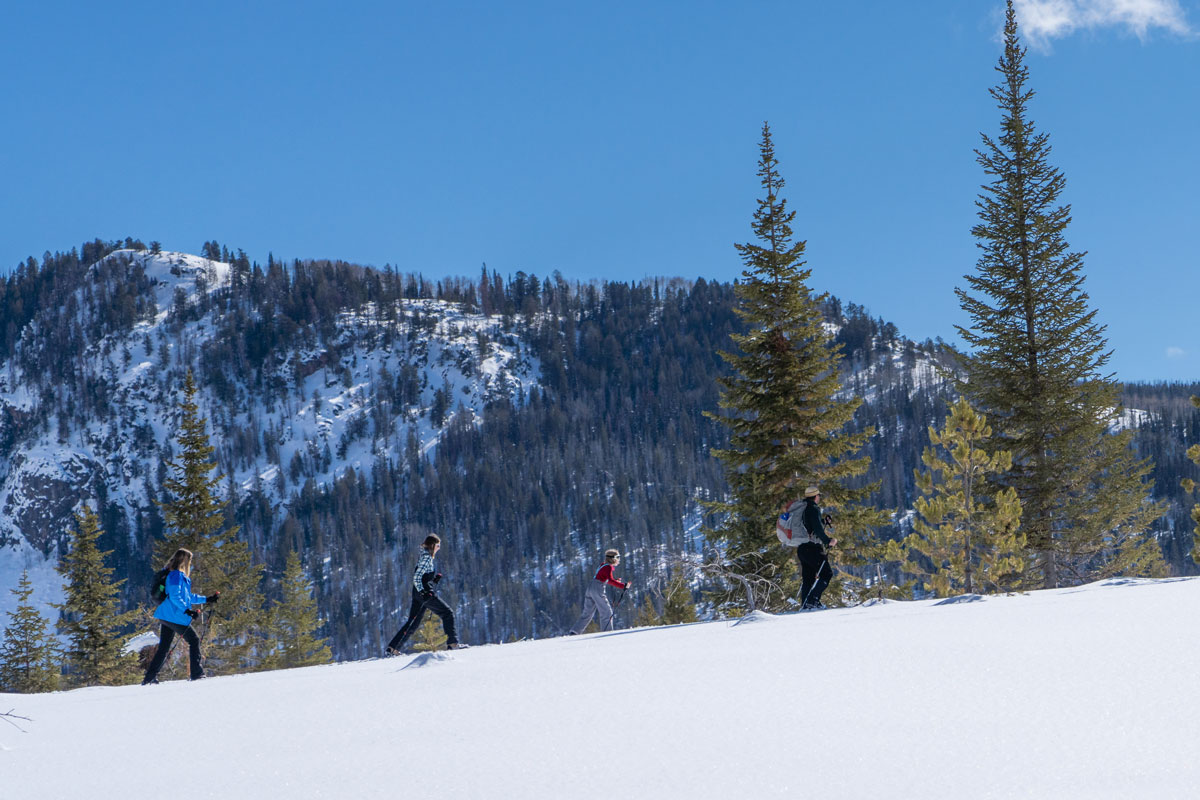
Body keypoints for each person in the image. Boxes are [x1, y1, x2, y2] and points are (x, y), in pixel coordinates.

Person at [142, 548, 218, 684]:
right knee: (193, 640)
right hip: (173, 615)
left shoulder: (179, 576)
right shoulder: (176, 575)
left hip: (167, 615)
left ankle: (149, 678)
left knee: (164, 647)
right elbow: (175, 596)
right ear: (185, 561)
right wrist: (187, 611)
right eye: (190, 560)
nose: (191, 563)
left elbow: (188, 597)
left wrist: (207, 599)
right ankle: (197, 673)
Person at [386, 534, 462, 654]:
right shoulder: (427, 558)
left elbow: (422, 577)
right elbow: (416, 577)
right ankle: (453, 644)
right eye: (438, 545)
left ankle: (393, 648)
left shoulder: (425, 556)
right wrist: (424, 592)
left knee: (413, 622)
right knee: (447, 613)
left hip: (418, 594)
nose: (439, 548)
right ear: (432, 545)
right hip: (425, 594)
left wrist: (433, 580)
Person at [568, 548, 629, 635]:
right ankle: (607, 634)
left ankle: (574, 631)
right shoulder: (608, 567)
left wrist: (615, 581)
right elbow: (610, 580)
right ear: (613, 558)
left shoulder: (603, 565)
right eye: (618, 557)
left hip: (590, 588)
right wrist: (623, 586)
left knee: (587, 613)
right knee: (607, 612)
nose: (619, 559)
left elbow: (605, 577)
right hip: (598, 588)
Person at [795, 487, 836, 609]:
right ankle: (812, 601)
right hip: (813, 548)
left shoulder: (801, 509)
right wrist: (828, 541)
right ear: (816, 496)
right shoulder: (813, 509)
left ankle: (806, 605)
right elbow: (817, 529)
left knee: (808, 578)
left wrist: (823, 521)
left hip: (802, 548)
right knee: (827, 573)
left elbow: (810, 525)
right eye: (819, 495)